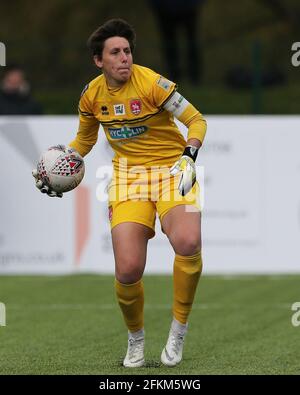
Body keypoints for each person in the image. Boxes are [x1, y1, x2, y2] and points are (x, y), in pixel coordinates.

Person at [32, 18, 207, 368]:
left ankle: (178, 330)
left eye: (127, 51)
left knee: (188, 242)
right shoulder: (91, 96)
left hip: (176, 169)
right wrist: (54, 168)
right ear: (99, 61)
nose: (124, 58)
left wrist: (189, 155)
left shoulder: (154, 84)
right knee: (127, 269)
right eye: (116, 52)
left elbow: (197, 120)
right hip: (128, 177)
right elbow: (84, 141)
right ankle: (136, 338)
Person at [148, 0, 206, 84]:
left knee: (191, 42)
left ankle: (194, 77)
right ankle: (174, 76)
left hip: (188, 7)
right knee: (169, 43)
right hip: (164, 8)